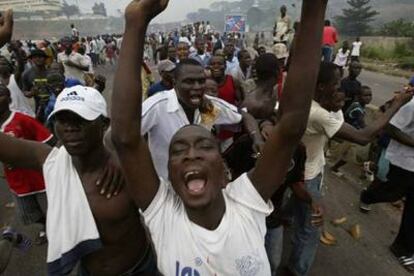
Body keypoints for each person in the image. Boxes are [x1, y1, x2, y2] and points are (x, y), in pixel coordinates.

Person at [111, 0, 329, 275]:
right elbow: (125, 137)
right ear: (167, 170)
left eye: (204, 145)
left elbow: (289, 127)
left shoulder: (246, 201)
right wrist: (136, 21)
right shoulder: (163, 212)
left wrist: (314, 8)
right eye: (177, 151)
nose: (191, 154)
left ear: (223, 165)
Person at [288, 62, 412, 276]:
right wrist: (397, 104)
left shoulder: (308, 100)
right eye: (335, 83)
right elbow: (363, 137)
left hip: (305, 171)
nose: (339, 87)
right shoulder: (317, 113)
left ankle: (284, 221)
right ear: (320, 86)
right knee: (309, 232)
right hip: (307, 177)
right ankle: (296, 271)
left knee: (297, 212)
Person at [360, 91, 414, 272]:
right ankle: (367, 196)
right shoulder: (412, 106)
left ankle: (402, 247)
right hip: (404, 162)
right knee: (393, 194)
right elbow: (391, 129)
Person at [0, 84, 55, 244]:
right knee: (30, 212)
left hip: (39, 178)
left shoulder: (23, 120)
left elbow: (49, 141)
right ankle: (44, 227)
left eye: (1, 94)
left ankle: (56, 231)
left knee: (50, 208)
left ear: (9, 98)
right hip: (17, 181)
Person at [0, 46, 34, 117]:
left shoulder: (15, 77)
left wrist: (16, 51)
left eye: (4, 64)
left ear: (9, 66)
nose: (1, 66)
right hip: (9, 116)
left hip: (24, 114)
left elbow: (20, 66)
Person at [21, 49, 50, 123]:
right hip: (38, 106)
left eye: (40, 57)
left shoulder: (52, 71)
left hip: (53, 104)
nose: (38, 59)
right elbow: (25, 92)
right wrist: (31, 93)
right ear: (32, 59)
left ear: (45, 59)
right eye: (35, 57)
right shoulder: (26, 74)